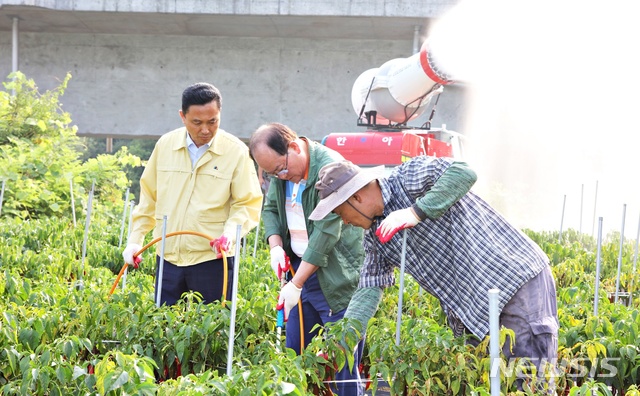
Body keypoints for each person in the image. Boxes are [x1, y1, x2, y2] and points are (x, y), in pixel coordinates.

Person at [309, 156, 559, 390]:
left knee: (527, 381)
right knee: (480, 383)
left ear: (356, 198)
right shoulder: (375, 237)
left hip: (513, 281)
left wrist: (416, 212)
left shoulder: (407, 178)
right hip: (472, 310)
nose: (345, 221)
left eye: (341, 213)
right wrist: (340, 344)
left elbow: (463, 173)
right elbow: (368, 289)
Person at [249, 122, 366, 396]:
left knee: (343, 360)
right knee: (297, 352)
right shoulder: (282, 176)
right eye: (272, 173)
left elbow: (326, 233)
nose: (280, 176)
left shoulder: (332, 169)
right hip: (300, 272)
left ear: (293, 147)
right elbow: (271, 209)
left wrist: (297, 283)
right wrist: (275, 245)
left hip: (336, 276)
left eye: (281, 168)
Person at [122, 82, 263, 306]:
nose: (205, 129)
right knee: (164, 329)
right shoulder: (165, 146)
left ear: (220, 115)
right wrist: (135, 240)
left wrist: (230, 234)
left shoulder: (235, 151)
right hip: (168, 256)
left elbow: (247, 203)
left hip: (213, 258)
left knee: (212, 330)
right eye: (197, 122)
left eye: (213, 121)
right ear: (182, 116)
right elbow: (149, 197)